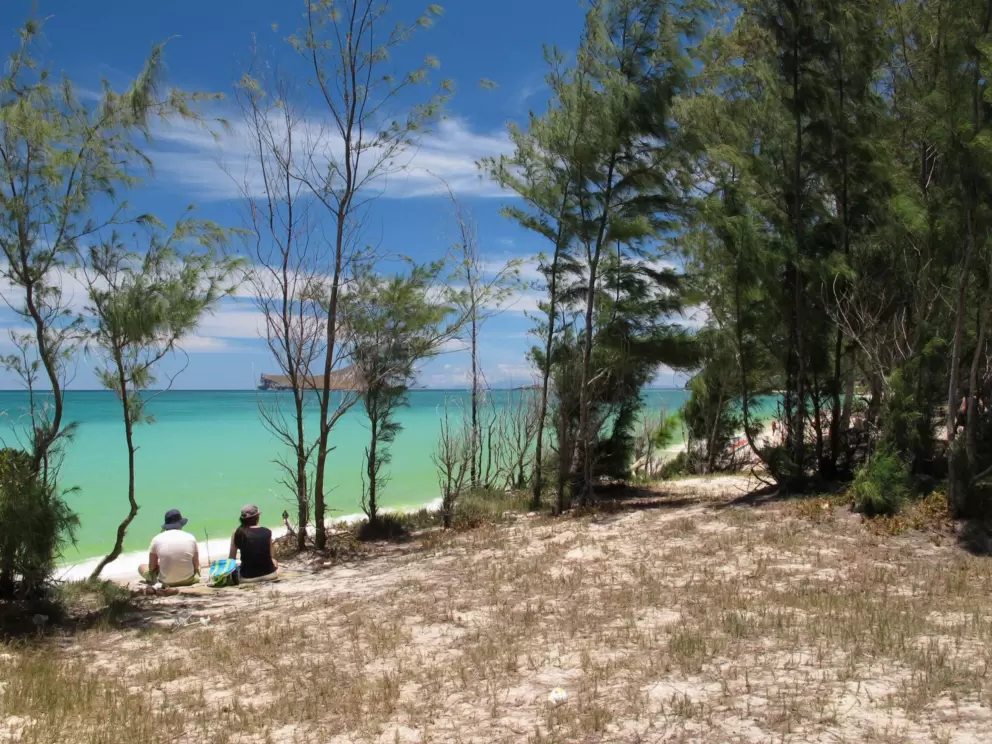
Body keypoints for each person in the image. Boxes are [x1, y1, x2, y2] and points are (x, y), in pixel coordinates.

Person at [139, 509, 201, 587]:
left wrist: (159, 566)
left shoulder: (156, 539)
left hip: (165, 582)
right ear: (181, 524)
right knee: (198, 566)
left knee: (141, 567)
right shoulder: (191, 537)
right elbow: (196, 564)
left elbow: (151, 568)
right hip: (188, 580)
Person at [229, 504, 279, 583]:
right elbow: (269, 556)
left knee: (237, 569)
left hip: (247, 578)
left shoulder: (237, 533)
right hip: (270, 574)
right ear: (257, 517)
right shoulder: (267, 531)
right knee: (274, 561)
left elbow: (231, 559)